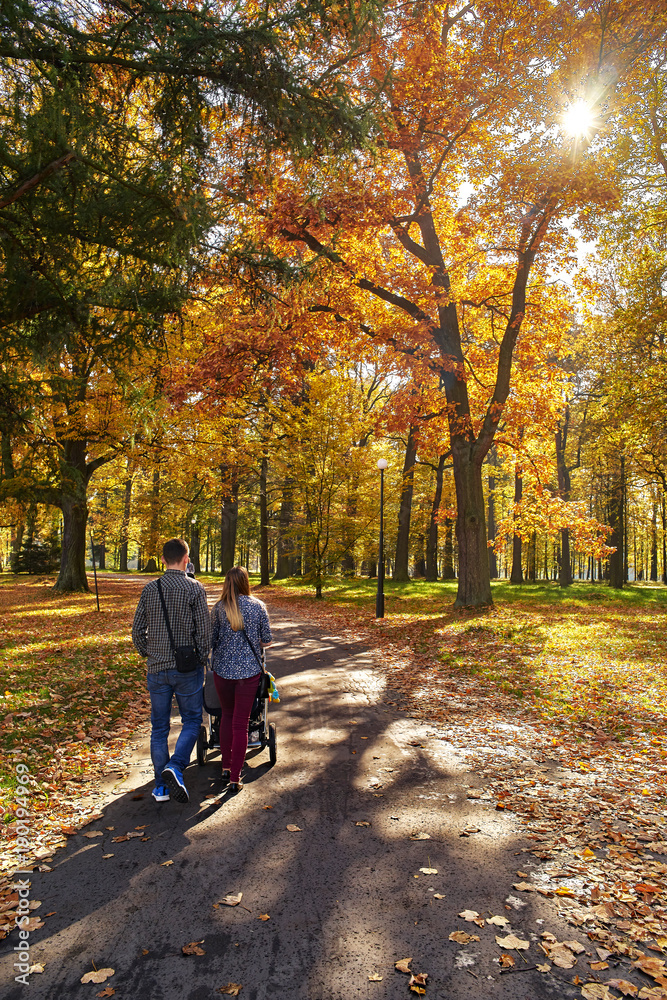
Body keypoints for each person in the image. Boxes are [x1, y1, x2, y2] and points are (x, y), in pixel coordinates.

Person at [132, 538, 211, 804]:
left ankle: (160, 787)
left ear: (163, 559)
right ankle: (176, 766)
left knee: (159, 728)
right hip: (187, 668)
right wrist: (202, 658)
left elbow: (136, 631)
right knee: (191, 721)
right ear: (186, 558)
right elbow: (204, 631)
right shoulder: (195, 589)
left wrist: (148, 653)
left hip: (157, 668)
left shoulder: (150, 589)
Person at [210, 566, 272, 793]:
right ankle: (235, 777)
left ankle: (226, 766)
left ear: (227, 583)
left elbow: (212, 640)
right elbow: (266, 641)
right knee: (241, 723)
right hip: (248, 674)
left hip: (223, 672)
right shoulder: (258, 607)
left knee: (226, 717)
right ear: (246, 582)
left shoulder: (218, 608)